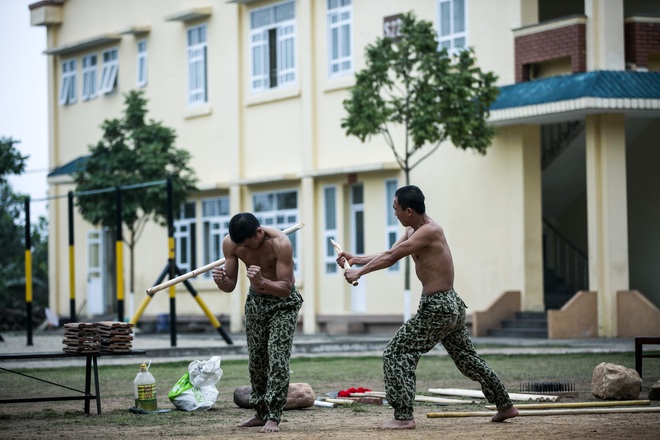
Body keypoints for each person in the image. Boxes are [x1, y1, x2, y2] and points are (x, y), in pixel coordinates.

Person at [336, 185, 519, 430]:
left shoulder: (430, 231)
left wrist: (359, 272)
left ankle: (403, 417)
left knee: (397, 353)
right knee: (467, 359)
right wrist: (356, 258)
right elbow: (390, 252)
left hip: (438, 307)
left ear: (409, 210)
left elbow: (392, 258)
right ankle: (505, 405)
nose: (395, 214)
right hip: (449, 304)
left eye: (396, 209)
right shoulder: (414, 229)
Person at [212, 212, 303, 433]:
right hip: (256, 302)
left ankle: (273, 415)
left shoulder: (280, 243)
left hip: (284, 304)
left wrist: (262, 280)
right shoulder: (231, 244)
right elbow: (230, 284)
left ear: (259, 232)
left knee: (278, 358)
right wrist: (221, 281)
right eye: (244, 247)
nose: (249, 251)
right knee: (257, 360)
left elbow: (285, 288)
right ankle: (260, 412)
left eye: (251, 246)